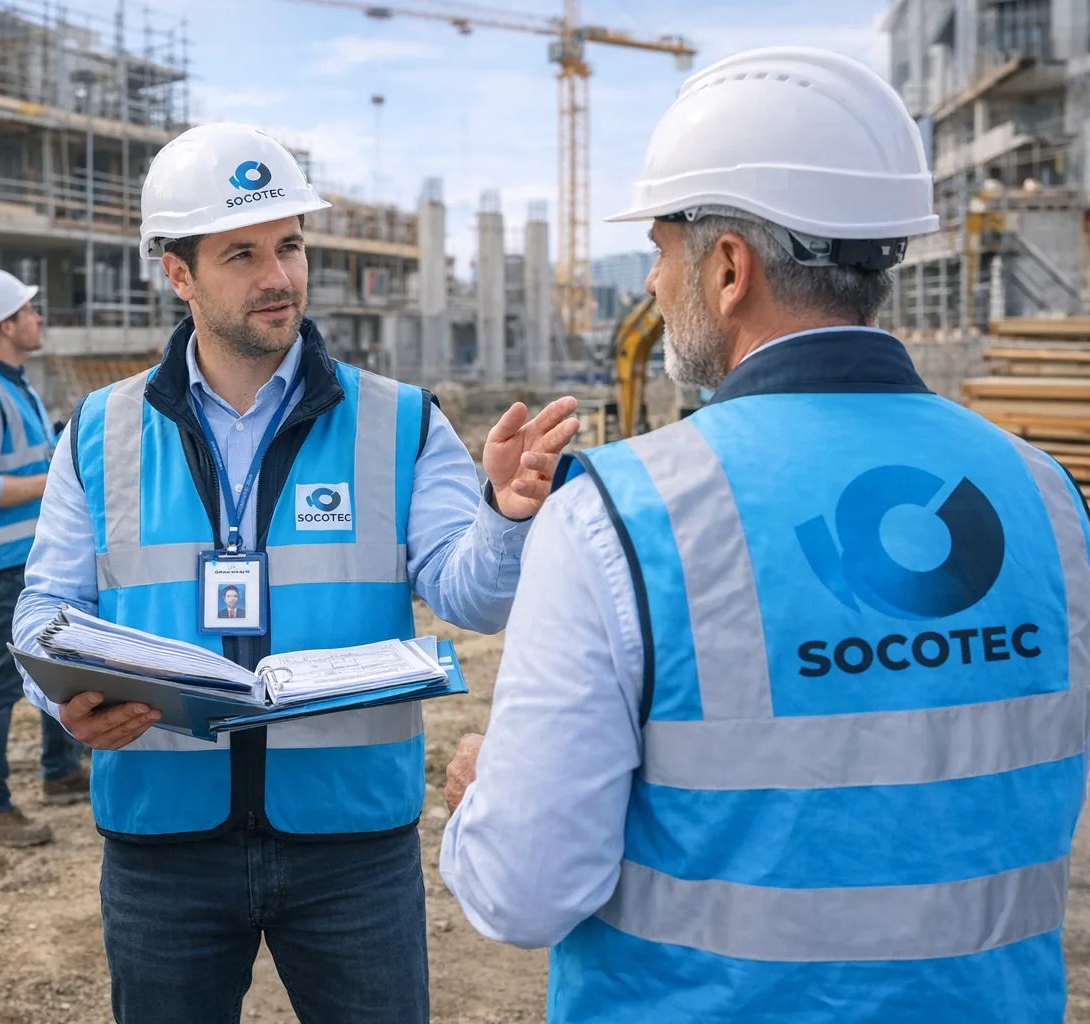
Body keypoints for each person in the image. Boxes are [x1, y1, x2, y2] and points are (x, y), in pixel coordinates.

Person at [439, 46, 1090, 1023]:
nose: (655, 284)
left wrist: (488, 794)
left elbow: (523, 892)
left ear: (730, 267)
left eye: (662, 250)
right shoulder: (1047, 497)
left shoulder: (619, 516)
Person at [12, 121, 580, 1023]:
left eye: (289, 246)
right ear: (179, 273)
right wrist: (64, 700)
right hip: (162, 836)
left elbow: (469, 594)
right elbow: (45, 608)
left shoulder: (400, 421)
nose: (279, 277)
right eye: (242, 253)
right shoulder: (100, 429)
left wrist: (506, 515)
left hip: (351, 841)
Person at [0, 267, 86, 847]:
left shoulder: (14, 382)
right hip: (5, 563)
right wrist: (55, 477)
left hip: (32, 557)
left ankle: (58, 772)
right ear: (5, 325)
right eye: (29, 311)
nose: (38, 318)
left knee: (66, 662)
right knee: (3, 681)